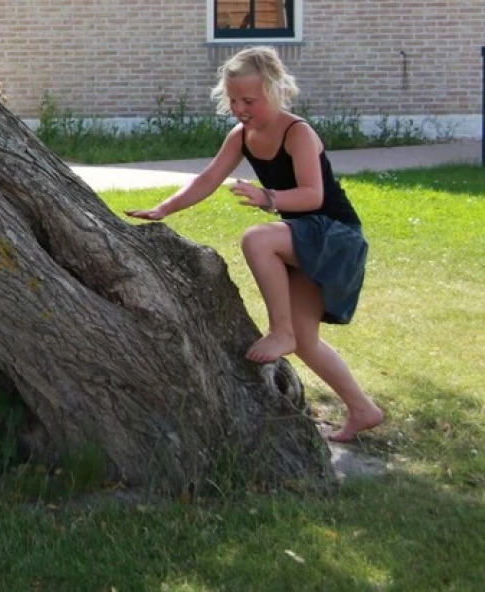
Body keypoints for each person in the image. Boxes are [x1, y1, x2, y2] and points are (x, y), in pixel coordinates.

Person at [124, 47, 384, 443]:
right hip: (304, 236)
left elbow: (313, 196)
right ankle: (362, 408)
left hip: (336, 234)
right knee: (307, 341)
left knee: (258, 238)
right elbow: (208, 178)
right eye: (233, 100)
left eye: (250, 100)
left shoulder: (297, 132)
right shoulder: (242, 136)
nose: (241, 108)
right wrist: (165, 207)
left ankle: (279, 331)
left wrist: (269, 199)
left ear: (275, 91)